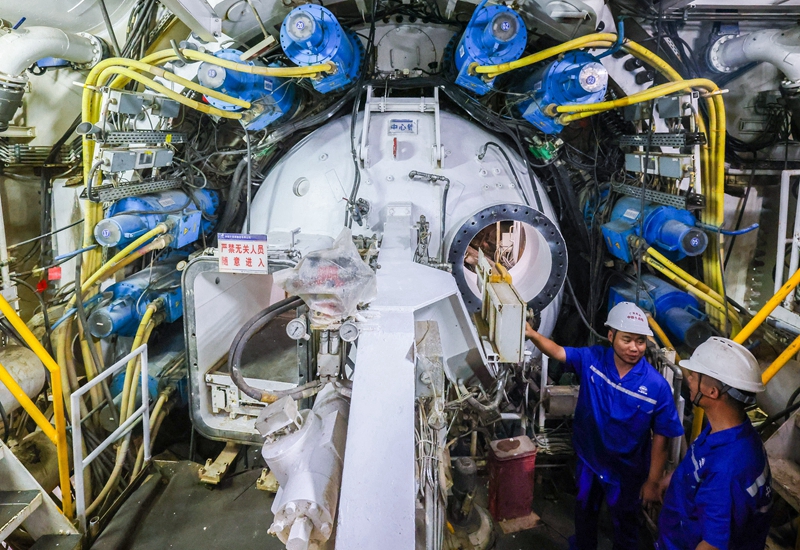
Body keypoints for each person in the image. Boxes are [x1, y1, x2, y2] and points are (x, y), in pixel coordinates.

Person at [526, 301, 684, 550]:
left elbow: (663, 437)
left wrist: (653, 481)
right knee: (584, 513)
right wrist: (532, 334)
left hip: (627, 473)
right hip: (590, 460)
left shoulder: (656, 387)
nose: (635, 348)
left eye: (641, 341)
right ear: (611, 336)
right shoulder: (592, 359)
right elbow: (558, 352)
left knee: (625, 526)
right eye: (627, 340)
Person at [657, 337, 773, 550]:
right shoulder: (731, 430)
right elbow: (702, 464)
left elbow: (712, 545)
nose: (689, 380)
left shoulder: (727, 471)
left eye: (694, 376)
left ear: (712, 391)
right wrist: (675, 480)